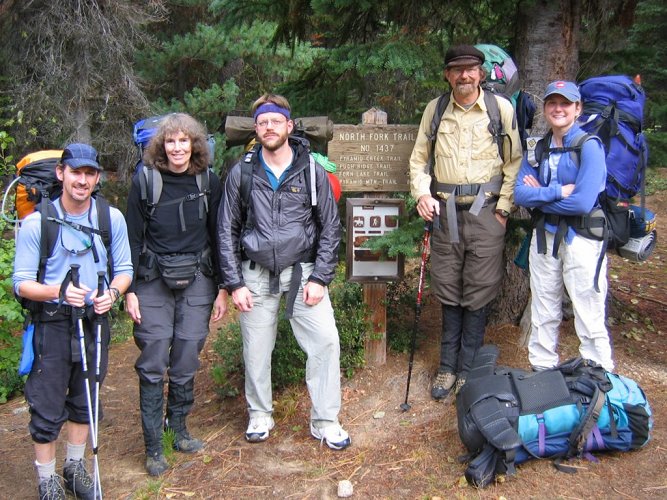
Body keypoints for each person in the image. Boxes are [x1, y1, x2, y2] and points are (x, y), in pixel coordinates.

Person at [216, 93, 351, 450]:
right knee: (256, 351)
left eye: (276, 121)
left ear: (289, 126)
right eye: (262, 122)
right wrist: (234, 283)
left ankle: (325, 420)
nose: (269, 127)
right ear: (256, 128)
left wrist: (321, 277)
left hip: (303, 272)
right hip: (255, 276)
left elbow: (330, 227)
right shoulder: (242, 172)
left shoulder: (311, 171)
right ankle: (260, 414)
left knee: (325, 342)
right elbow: (226, 229)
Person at [13, 143, 133, 500]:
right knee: (47, 405)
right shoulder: (38, 223)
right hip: (52, 323)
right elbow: (21, 283)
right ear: (61, 174)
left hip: (94, 320)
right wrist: (58, 292)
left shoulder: (110, 219)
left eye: (89, 174)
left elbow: (124, 270)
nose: (82, 180)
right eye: (76, 173)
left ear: (98, 178)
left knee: (86, 399)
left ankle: (75, 467)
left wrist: (112, 293)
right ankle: (48, 480)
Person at [409, 45, 522, 400]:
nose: (464, 76)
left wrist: (504, 209)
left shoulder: (499, 109)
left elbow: (514, 161)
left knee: (478, 289)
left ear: (481, 73)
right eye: (456, 69)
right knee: (447, 288)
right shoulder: (436, 109)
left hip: (486, 213)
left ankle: (468, 370)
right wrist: (422, 195)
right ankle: (446, 366)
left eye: (470, 69)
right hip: (444, 213)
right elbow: (418, 160)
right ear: (447, 74)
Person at [124, 113, 227, 476]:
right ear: (161, 146)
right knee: (153, 356)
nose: (178, 148)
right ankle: (153, 447)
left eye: (185, 141)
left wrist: (223, 288)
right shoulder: (145, 181)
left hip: (198, 276)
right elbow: (132, 238)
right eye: (171, 142)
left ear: (195, 145)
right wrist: (130, 289)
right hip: (152, 278)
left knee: (187, 351)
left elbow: (219, 235)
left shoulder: (208, 181)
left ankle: (179, 429)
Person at [514, 80, 614, 372]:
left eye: (565, 103)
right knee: (543, 308)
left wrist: (539, 198)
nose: (558, 109)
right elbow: (520, 194)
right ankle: (542, 369)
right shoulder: (537, 148)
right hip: (544, 239)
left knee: (588, 310)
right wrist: (558, 192)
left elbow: (583, 203)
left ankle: (599, 376)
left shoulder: (590, 147)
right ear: (545, 109)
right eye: (552, 103)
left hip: (582, 239)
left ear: (578, 108)